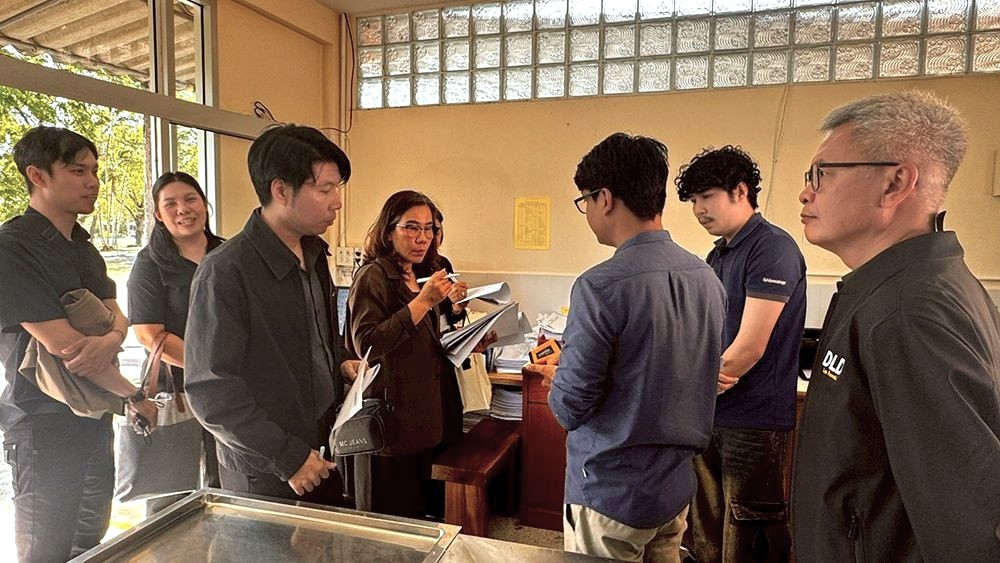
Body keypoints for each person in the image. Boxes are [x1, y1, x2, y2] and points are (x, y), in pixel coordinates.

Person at [792, 90, 1000, 562]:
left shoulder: (909, 313)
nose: (806, 192)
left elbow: (968, 523)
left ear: (895, 184)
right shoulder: (897, 289)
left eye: (823, 174)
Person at [524, 132, 727, 563]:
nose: (586, 212)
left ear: (605, 198)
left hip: (610, 492)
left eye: (584, 201)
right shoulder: (706, 278)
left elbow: (571, 408)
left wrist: (558, 377)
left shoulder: (601, 285)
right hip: (674, 486)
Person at [0, 126, 157, 561]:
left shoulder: (83, 246)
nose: (93, 182)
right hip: (42, 422)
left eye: (94, 171)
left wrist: (112, 337)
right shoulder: (12, 248)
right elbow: (66, 346)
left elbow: (117, 314)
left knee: (90, 539)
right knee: (46, 548)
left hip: (93, 414)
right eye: (77, 171)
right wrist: (133, 394)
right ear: (37, 175)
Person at [184, 124, 353, 505]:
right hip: (266, 470)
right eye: (325, 189)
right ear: (281, 191)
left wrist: (340, 363)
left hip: (321, 448)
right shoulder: (226, 271)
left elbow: (312, 339)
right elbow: (211, 391)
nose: (337, 202)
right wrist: (287, 457)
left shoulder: (314, 254)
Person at [675, 146, 806, 563]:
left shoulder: (772, 248)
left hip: (754, 419)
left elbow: (748, 348)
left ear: (740, 191)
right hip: (713, 414)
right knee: (707, 529)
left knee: (749, 536)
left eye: (707, 197)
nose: (698, 210)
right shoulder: (718, 254)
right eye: (693, 200)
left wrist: (691, 389)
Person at [344, 190, 471, 518]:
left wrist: (465, 330)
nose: (422, 237)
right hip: (390, 422)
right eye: (412, 227)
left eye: (429, 229)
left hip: (425, 416)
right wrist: (423, 301)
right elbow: (367, 344)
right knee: (389, 521)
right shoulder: (373, 275)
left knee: (420, 516)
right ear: (389, 231)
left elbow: (427, 338)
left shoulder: (425, 271)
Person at [126, 171, 225, 515]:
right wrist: (209, 367)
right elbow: (148, 334)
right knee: (171, 495)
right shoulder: (149, 264)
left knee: (227, 486)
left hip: (231, 389)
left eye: (190, 199)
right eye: (170, 204)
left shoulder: (230, 254)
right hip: (175, 390)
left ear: (205, 204)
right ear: (158, 214)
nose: (183, 209)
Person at [432, 207, 468, 331]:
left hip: (447, 335)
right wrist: (448, 301)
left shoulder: (443, 263)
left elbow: (452, 318)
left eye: (436, 232)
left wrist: (457, 308)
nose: (429, 237)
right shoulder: (408, 270)